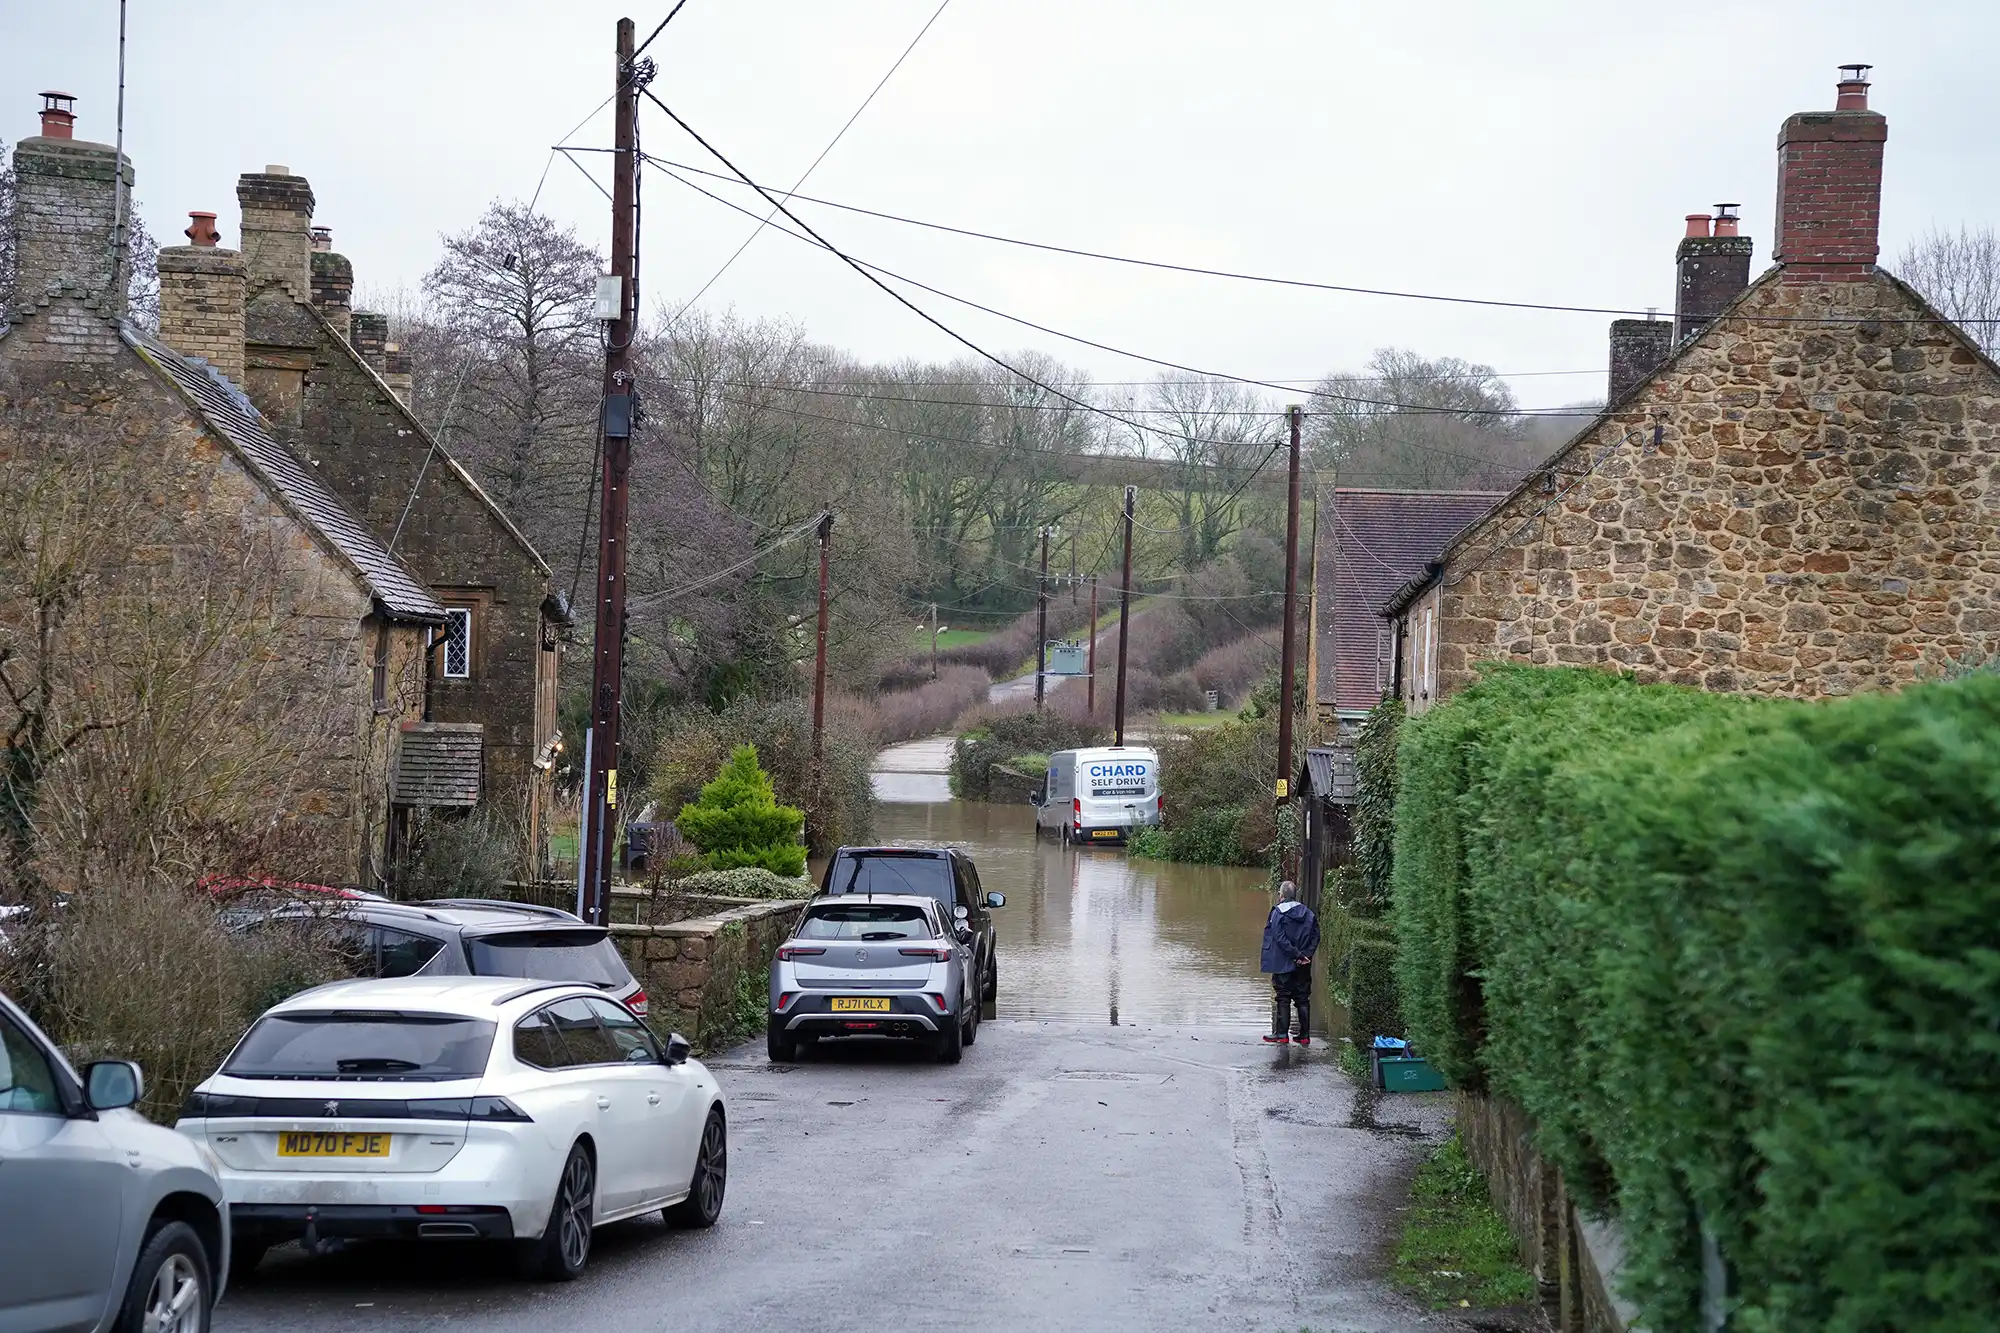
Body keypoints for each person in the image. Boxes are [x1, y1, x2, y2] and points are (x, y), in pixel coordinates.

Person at [1260, 880, 1320, 1045]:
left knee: (1283, 997)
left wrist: (1296, 955)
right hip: (1304, 964)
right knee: (1302, 998)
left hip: (1283, 963)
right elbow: (1316, 935)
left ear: (1281, 896)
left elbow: (1279, 939)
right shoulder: (1308, 913)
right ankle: (1304, 1035)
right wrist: (1306, 955)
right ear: (1295, 895)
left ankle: (1281, 1034)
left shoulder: (1278, 913)